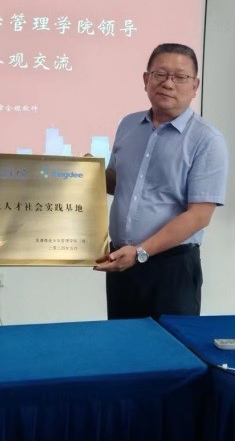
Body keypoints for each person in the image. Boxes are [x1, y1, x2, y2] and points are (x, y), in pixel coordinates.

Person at [94, 43, 228, 320]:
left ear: (195, 86)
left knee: (171, 345)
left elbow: (199, 216)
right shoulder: (128, 125)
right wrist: (87, 174)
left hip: (171, 268)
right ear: (146, 80)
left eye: (180, 77)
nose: (168, 83)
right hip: (121, 263)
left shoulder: (206, 140)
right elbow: (120, 183)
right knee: (123, 342)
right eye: (160, 74)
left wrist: (141, 252)